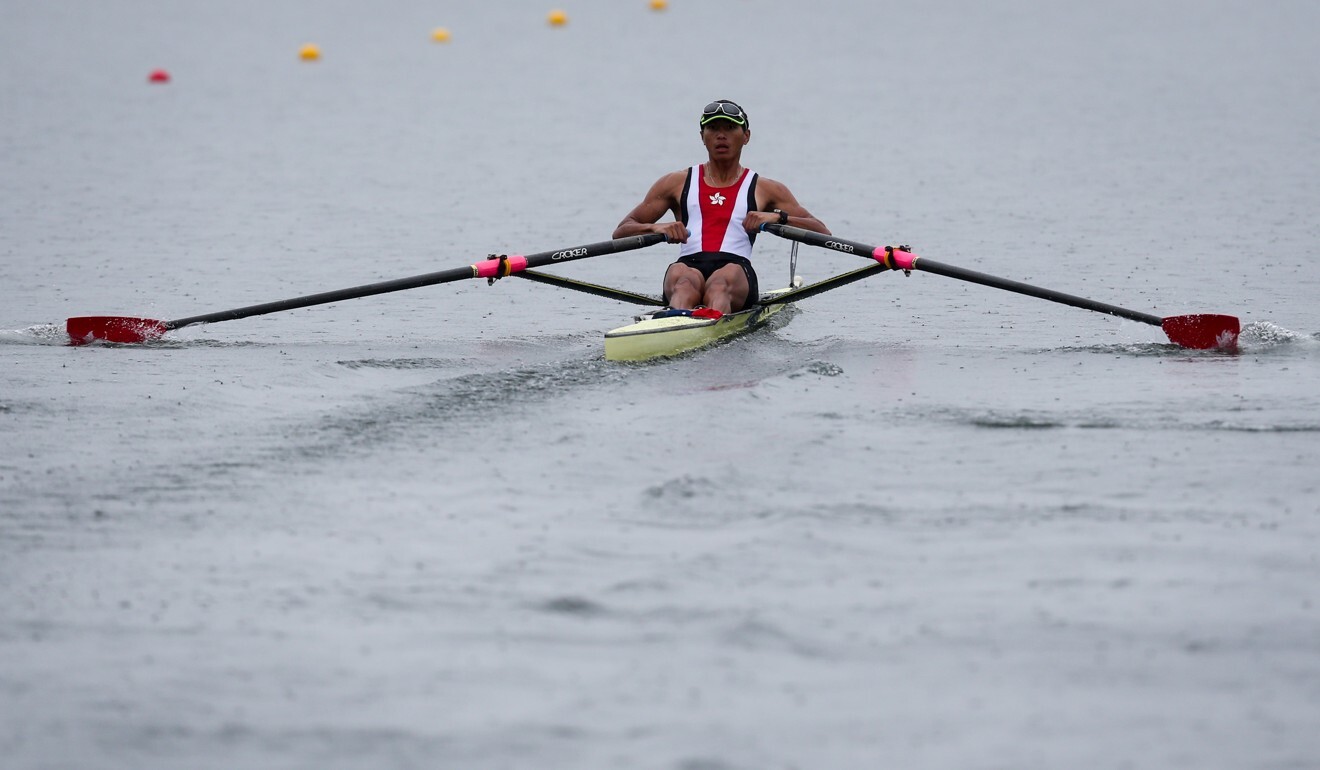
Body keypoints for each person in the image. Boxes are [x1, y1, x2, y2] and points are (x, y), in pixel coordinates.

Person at [612, 99, 831, 314]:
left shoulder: (766, 188)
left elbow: (821, 231)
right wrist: (656, 228)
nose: (721, 135)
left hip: (735, 271)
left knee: (719, 284)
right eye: (713, 128)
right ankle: (675, 322)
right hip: (688, 266)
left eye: (730, 128)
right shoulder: (675, 183)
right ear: (702, 137)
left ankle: (699, 325)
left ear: (746, 136)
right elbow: (621, 231)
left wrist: (779, 218)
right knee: (683, 280)